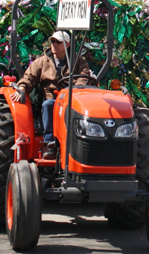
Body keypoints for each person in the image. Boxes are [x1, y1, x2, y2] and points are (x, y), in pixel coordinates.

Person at [12, 31, 90, 160]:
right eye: (52, 41)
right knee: (48, 105)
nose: (54, 44)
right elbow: (29, 77)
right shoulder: (41, 62)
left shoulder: (78, 62)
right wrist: (22, 87)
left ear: (67, 44)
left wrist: (74, 90)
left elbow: (83, 77)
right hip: (51, 99)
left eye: (58, 42)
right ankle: (49, 144)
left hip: (71, 99)